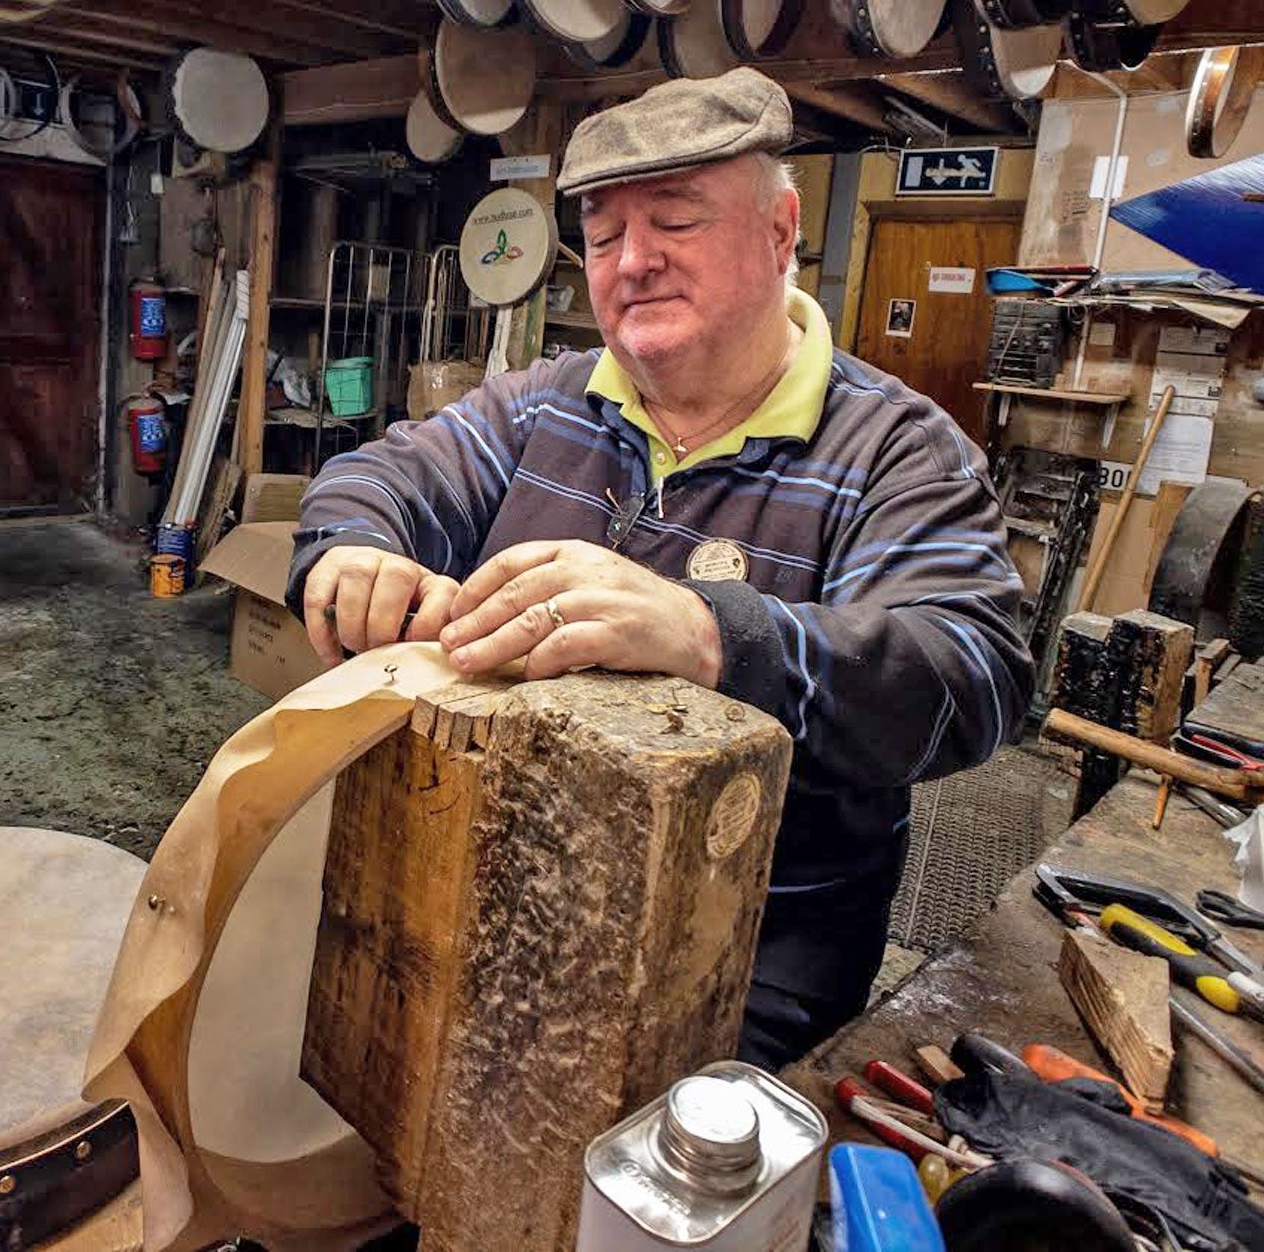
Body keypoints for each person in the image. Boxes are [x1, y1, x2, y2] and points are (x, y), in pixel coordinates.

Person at [287, 69, 1033, 1068]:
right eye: (602, 237)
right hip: (500, 895)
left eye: (675, 221)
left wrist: (714, 634)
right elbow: (383, 472)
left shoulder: (895, 450)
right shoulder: (542, 405)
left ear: (780, 232)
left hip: (751, 958)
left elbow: (974, 672)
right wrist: (356, 545)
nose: (632, 262)